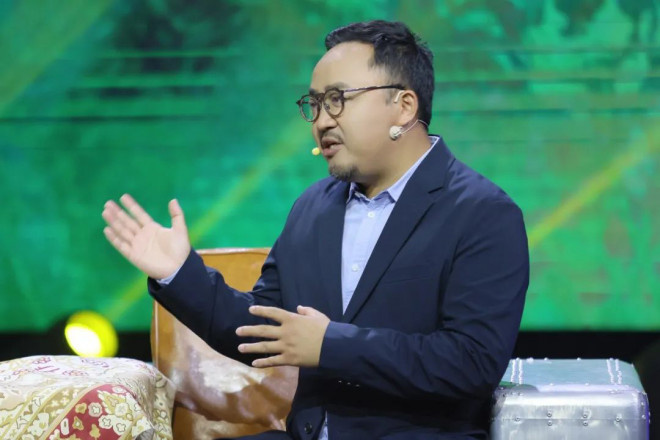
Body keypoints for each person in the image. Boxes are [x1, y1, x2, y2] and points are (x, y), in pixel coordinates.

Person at [102, 20, 529, 440]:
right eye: (315, 104)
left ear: (404, 106)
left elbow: (471, 363)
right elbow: (262, 330)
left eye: (338, 100)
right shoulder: (314, 207)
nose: (321, 121)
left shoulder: (482, 213)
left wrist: (331, 345)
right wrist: (179, 274)